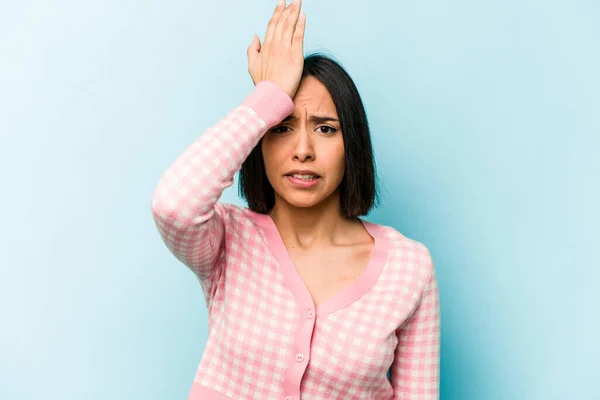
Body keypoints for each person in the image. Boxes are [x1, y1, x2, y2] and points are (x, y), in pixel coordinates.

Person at [150, 0, 440, 398]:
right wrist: (267, 98)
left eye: (325, 129)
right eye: (282, 129)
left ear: (351, 144)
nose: (302, 149)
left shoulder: (409, 268)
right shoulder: (228, 240)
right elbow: (173, 205)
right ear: (260, 142)